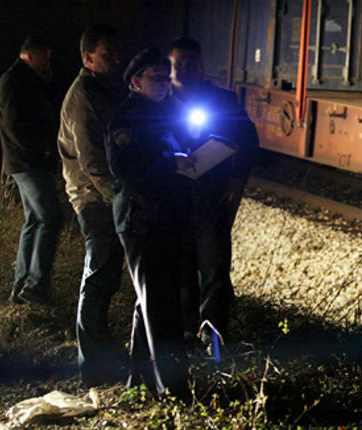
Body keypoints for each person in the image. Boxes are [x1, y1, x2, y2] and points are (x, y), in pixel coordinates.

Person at [106, 47, 194, 404]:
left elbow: (182, 150)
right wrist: (171, 166)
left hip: (169, 216)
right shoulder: (125, 120)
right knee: (159, 302)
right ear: (135, 81)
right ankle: (170, 389)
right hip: (141, 218)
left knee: (154, 299)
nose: (163, 84)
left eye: (165, 77)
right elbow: (125, 171)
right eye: (155, 78)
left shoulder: (168, 113)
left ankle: (140, 378)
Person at [168, 37, 259, 355]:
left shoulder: (222, 100)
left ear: (201, 65)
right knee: (180, 267)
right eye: (177, 63)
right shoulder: (160, 102)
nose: (182, 69)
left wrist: (237, 179)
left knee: (214, 266)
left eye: (189, 63)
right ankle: (185, 330)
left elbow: (248, 139)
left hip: (211, 196)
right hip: (175, 198)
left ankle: (214, 337)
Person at [57, 24, 126, 386]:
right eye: (107, 56)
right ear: (88, 58)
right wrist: (119, 196)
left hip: (102, 196)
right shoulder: (84, 94)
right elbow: (91, 159)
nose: (115, 60)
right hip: (93, 197)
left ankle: (101, 356)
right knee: (98, 277)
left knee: (105, 276)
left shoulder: (105, 89)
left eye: (117, 54)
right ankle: (93, 365)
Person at [0, 35, 62, 306]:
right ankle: (34, 286)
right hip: (27, 162)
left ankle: (22, 287)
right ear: (31, 56)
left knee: (35, 220)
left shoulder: (25, 80)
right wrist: (43, 149)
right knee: (50, 218)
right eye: (45, 57)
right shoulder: (14, 81)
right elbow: (16, 127)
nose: (48, 62)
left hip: (27, 161)